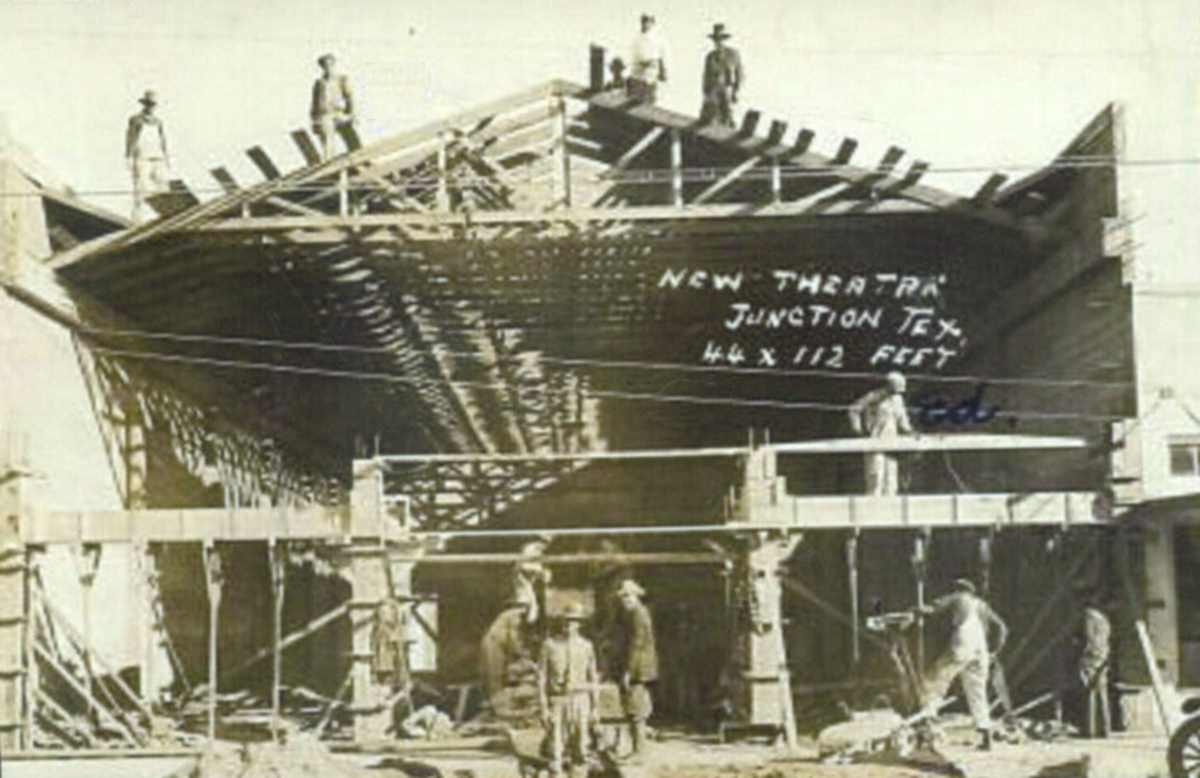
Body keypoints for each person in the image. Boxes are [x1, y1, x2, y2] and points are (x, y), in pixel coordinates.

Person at [918, 578, 1009, 751]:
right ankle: (985, 734)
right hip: (980, 650)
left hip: (963, 643)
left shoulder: (959, 598)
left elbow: (932, 609)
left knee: (934, 680)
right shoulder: (982, 605)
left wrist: (917, 610)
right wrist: (994, 651)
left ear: (959, 589)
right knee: (977, 693)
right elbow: (1002, 628)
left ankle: (928, 722)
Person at [539, 603, 599, 778]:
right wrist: (543, 707)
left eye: (574, 621)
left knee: (581, 748)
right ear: (561, 623)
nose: (569, 625)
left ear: (579, 624)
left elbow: (592, 676)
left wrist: (595, 708)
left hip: (581, 700)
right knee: (555, 748)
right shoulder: (549, 646)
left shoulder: (586, 646)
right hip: (558, 701)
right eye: (566, 621)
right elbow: (541, 678)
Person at [612, 579, 657, 761]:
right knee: (636, 708)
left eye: (628, 596)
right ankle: (638, 749)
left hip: (638, 669)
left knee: (635, 709)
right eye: (623, 597)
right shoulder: (635, 614)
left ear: (636, 596)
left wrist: (628, 671)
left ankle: (639, 752)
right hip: (640, 667)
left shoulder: (638, 614)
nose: (625, 600)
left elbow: (636, 645)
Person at [848, 371, 914, 496]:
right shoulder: (874, 396)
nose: (897, 393)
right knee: (876, 477)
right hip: (875, 442)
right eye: (895, 389)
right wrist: (858, 429)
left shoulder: (898, 400)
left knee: (891, 479)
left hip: (892, 443)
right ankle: (872, 508)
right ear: (889, 385)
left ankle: (890, 510)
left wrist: (911, 432)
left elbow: (903, 420)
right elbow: (854, 409)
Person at [125, 90, 170, 223]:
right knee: (141, 189)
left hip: (157, 157)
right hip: (142, 157)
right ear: (144, 105)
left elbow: (162, 140)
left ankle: (165, 216)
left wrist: (166, 157)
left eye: (153, 105)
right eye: (148, 104)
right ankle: (137, 220)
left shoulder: (158, 122)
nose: (151, 107)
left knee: (163, 186)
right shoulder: (136, 119)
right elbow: (130, 138)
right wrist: (128, 156)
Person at [1076, 592, 1112, 738]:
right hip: (1103, 653)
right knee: (1101, 692)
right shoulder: (1104, 619)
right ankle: (1104, 729)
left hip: (1091, 655)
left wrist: (1080, 650)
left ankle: (1090, 729)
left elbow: (1088, 636)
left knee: (1089, 692)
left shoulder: (1089, 616)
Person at [310, 53, 355, 160]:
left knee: (352, 139)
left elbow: (349, 97)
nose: (328, 68)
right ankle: (329, 164)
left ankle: (361, 159)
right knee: (327, 143)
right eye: (325, 65)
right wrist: (314, 120)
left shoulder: (342, 79)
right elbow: (314, 103)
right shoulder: (319, 83)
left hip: (339, 113)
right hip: (325, 114)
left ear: (334, 65)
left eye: (330, 65)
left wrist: (352, 114)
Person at [699, 24, 744, 128]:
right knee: (709, 117)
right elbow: (706, 76)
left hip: (727, 89)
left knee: (729, 117)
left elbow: (739, 74)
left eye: (721, 39)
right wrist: (706, 93)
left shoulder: (733, 54)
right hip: (713, 90)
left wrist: (736, 91)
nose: (718, 42)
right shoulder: (710, 57)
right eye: (716, 40)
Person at [628, 13, 667, 104]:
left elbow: (661, 56)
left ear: (652, 23)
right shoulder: (637, 38)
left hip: (651, 77)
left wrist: (662, 71)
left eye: (648, 21)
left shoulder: (657, 39)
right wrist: (649, 62)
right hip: (638, 76)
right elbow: (638, 57)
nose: (645, 23)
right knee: (636, 103)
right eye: (644, 21)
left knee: (650, 103)